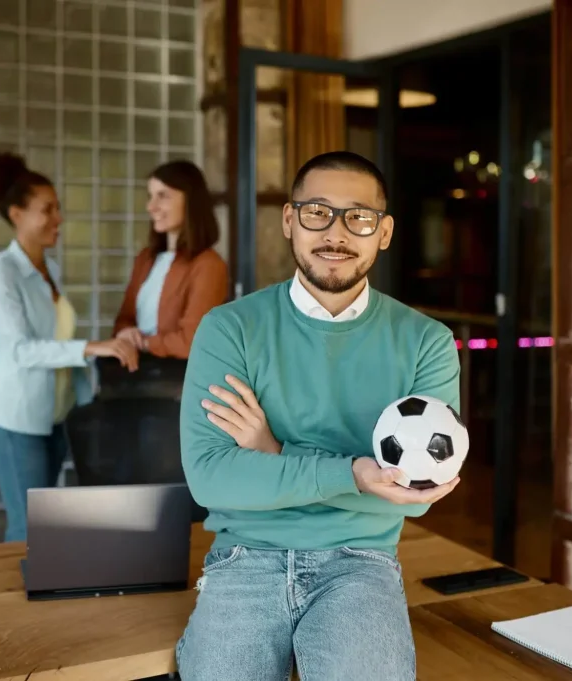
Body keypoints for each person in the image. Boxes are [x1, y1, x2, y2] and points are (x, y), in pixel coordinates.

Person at [176, 151, 462, 680]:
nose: (336, 232)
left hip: (361, 561)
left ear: (385, 232)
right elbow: (212, 479)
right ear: (289, 220)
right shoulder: (229, 329)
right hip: (246, 555)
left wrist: (273, 454)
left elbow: (414, 499)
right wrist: (354, 473)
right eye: (317, 212)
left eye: (359, 216)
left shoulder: (427, 344)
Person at [0, 151, 139, 542]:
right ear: (17, 213)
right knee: (28, 527)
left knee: (44, 524)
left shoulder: (51, 270)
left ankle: (41, 598)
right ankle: (19, 603)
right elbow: (20, 350)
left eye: (58, 208)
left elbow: (57, 341)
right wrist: (92, 347)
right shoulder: (1, 272)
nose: (58, 218)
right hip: (16, 420)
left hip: (54, 415)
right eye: (47, 209)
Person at [112, 160, 228, 360]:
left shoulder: (208, 265)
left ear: (190, 201)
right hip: (137, 375)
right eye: (150, 196)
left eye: (162, 196)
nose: (151, 206)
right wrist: (125, 333)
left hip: (177, 383)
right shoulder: (146, 259)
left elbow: (193, 341)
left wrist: (145, 343)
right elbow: (124, 320)